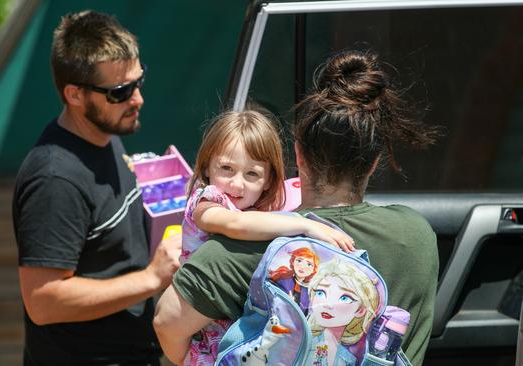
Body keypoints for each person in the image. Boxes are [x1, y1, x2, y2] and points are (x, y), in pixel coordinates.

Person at [153, 50, 440, 366]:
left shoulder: (238, 250)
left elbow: (167, 322)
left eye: (250, 173)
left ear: (298, 156)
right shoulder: (418, 236)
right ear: (372, 164)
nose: (237, 183)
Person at [12, 10, 181, 365]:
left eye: (139, 81)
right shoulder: (55, 180)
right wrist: (151, 278)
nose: (137, 99)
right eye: (120, 92)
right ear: (74, 94)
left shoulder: (103, 138)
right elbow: (43, 300)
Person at [179, 110, 355, 365]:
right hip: (204, 338)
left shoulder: (261, 213)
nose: (237, 185)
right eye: (227, 168)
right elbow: (234, 224)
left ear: (268, 180)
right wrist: (305, 226)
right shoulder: (207, 200)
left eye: (252, 174)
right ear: (207, 166)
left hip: (239, 335)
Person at [305, 259, 380, 366]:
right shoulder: (304, 344)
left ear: (361, 310)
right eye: (320, 293)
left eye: (344, 298)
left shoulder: (348, 359)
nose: (328, 304)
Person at [269, 246, 320, 314]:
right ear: (293, 261)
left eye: (309, 264)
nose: (302, 267)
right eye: (299, 260)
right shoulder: (283, 280)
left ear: (314, 270)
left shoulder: (310, 290)